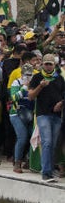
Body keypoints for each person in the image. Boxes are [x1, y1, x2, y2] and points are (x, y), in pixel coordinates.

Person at [27, 54, 65, 182]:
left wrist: (61, 103)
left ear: (54, 65)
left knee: (53, 144)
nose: (48, 66)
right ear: (42, 64)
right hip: (43, 114)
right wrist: (41, 86)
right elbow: (31, 96)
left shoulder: (59, 78)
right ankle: (46, 172)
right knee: (47, 142)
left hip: (57, 115)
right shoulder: (37, 77)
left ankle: (49, 169)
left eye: (50, 64)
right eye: (46, 64)